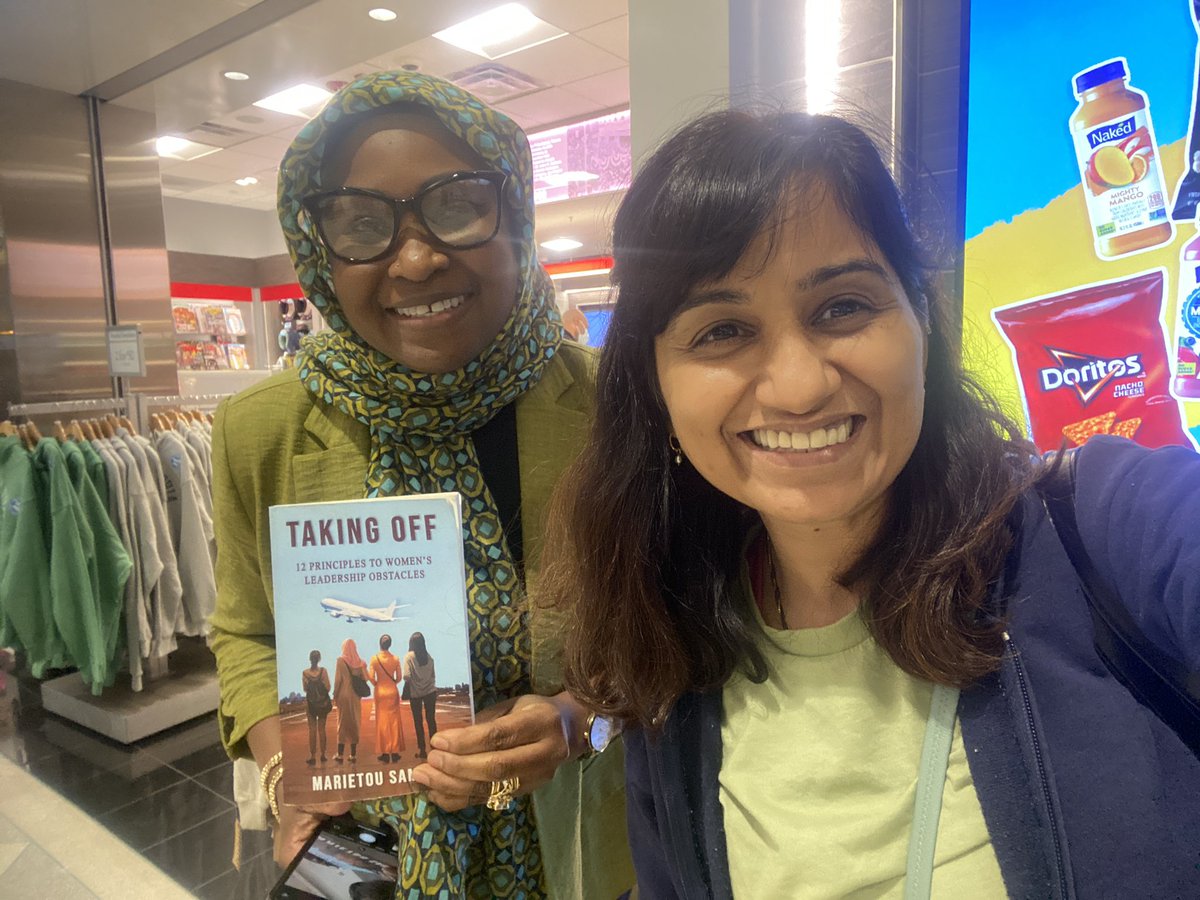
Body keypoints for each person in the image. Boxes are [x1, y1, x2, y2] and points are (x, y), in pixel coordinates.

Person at [538, 109, 1200, 898]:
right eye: (723, 330)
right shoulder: (676, 650)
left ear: (922, 317)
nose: (799, 387)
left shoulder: (1110, 524)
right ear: (655, 386)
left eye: (842, 307)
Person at [208, 70, 633, 898]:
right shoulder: (263, 430)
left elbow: (676, 620)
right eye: (362, 225)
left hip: (579, 843)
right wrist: (285, 772)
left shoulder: (615, 409)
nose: (415, 258)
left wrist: (579, 718)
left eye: (457, 206)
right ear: (320, 251)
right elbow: (247, 633)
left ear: (516, 214)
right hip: (371, 853)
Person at [333, 638, 368, 763]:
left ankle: (340, 754)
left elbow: (338, 680)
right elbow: (366, 678)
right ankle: (353, 754)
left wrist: (335, 695)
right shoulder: (361, 662)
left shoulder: (340, 661)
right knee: (354, 722)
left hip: (343, 695)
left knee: (342, 722)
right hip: (355, 696)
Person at [369, 634, 404, 762]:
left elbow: (371, 676)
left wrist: (376, 684)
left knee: (382, 721)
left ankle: (384, 752)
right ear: (390, 644)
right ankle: (394, 752)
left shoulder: (374, 659)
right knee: (394, 721)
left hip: (380, 691)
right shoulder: (396, 659)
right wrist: (393, 682)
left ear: (380, 644)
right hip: (392, 691)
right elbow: (399, 677)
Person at [403, 632, 438, 759]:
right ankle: (435, 747)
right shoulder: (429, 657)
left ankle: (422, 750)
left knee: (418, 722)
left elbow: (406, 676)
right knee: (431, 720)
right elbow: (433, 676)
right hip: (430, 691)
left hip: (415, 694)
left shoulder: (409, 657)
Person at [302, 650, 331, 765]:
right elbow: (328, 687)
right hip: (323, 704)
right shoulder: (323, 671)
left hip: (311, 704)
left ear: (310, 659)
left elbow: (305, 689)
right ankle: (323, 754)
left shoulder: (305, 673)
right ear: (319, 659)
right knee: (322, 729)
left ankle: (313, 755)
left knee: (312, 729)